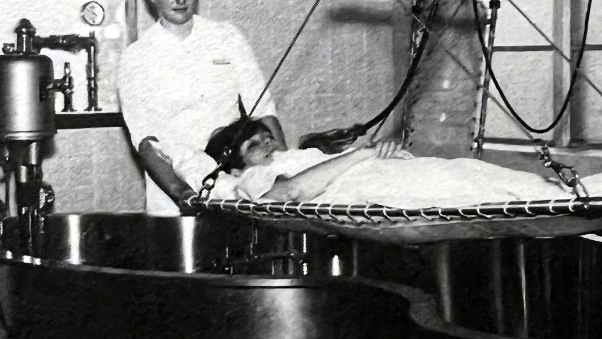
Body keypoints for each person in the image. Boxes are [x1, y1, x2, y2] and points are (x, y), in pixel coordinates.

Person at [118, 0, 287, 215]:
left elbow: (263, 109)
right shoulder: (137, 58)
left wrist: (284, 170)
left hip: (235, 188)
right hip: (174, 195)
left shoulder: (226, 37)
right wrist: (180, 192)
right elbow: (146, 141)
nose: (181, 0)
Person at [201, 116, 571, 208]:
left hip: (384, 172)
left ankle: (592, 190)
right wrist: (362, 154)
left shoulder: (292, 156)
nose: (268, 143)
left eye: (267, 137)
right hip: (372, 187)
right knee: (477, 188)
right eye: (255, 144)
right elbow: (288, 193)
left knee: (470, 171)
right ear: (235, 166)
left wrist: (376, 152)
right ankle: (598, 192)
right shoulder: (249, 179)